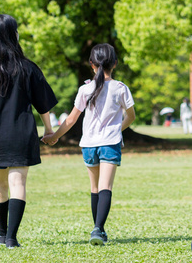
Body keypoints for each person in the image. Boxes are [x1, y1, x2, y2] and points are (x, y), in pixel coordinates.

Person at [0, 14, 57, 249]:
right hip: (21, 134)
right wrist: (49, 129)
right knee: (19, 184)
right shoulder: (27, 68)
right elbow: (43, 104)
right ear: (12, 36)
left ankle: (2, 231)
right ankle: (11, 238)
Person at [43, 43, 135, 246]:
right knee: (106, 187)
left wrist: (54, 136)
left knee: (95, 187)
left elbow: (71, 119)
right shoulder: (121, 88)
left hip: (89, 145)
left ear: (91, 65)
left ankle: (97, 229)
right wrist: (117, 129)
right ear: (115, 64)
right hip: (110, 143)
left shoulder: (85, 89)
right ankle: (98, 229)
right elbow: (131, 116)